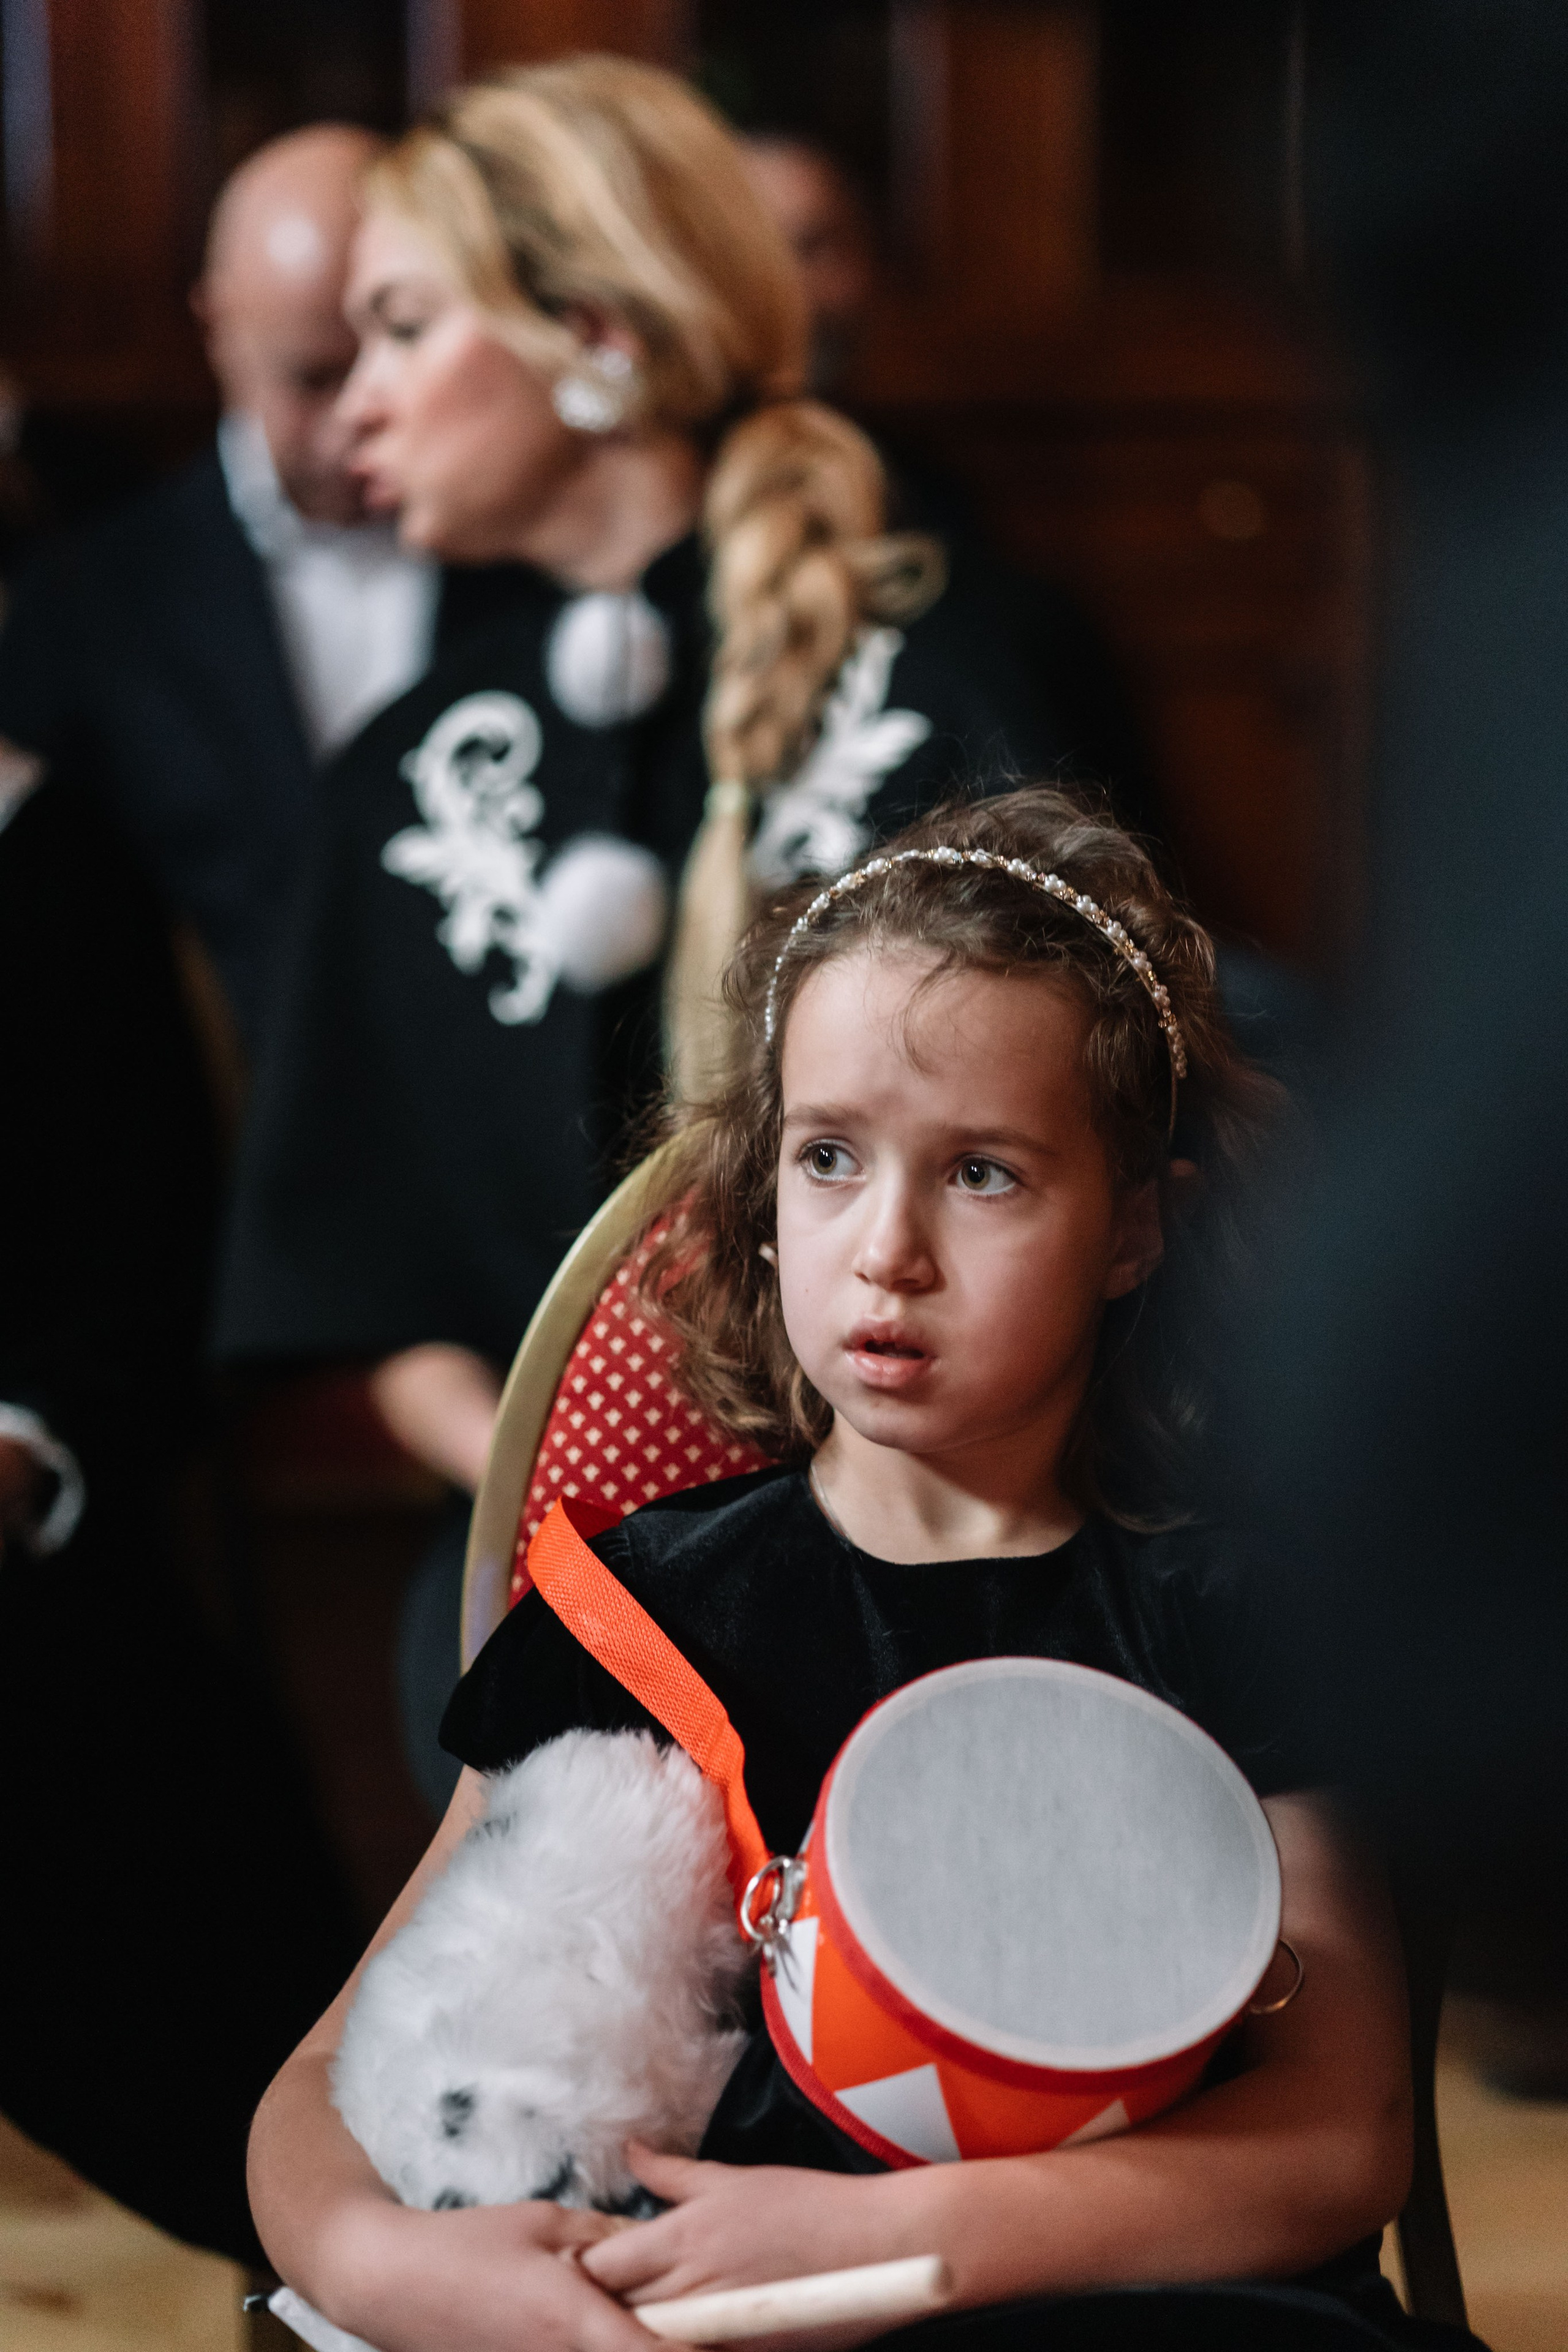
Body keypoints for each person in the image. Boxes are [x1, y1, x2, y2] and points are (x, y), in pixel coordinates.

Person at [244, 786, 1478, 2352]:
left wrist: (895, 2239)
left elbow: (1339, 2134)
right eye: (830, 1158)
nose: (886, 1248)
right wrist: (377, 2259)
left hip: (1128, 2302)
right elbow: (319, 2092)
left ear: (1132, 1232)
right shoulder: (640, 1611)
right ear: (760, 1200)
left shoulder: (1228, 1616)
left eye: (982, 1175)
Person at [212, 59, 1090, 1809]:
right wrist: (568, 1494)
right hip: (554, 1567)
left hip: (961, 1554)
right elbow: (354, 1269)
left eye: (400, 326)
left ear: (595, 333)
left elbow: (1103, 1175)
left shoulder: (953, 688)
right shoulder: (412, 776)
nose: (348, 404)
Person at [0, 123, 522, 1057]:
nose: (355, 420)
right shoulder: (89, 600)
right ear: (218, 328)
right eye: (312, 378)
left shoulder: (532, 563)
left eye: (391, 348)